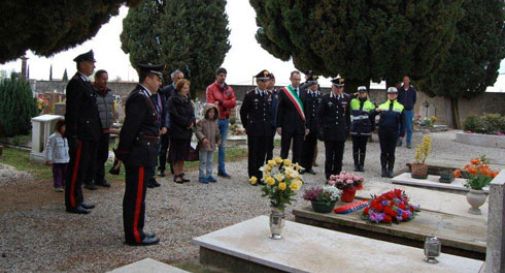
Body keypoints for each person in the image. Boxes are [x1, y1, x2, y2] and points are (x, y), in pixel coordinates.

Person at [115, 63, 163, 246]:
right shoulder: (139, 98)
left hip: (143, 153)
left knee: (138, 195)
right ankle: (134, 235)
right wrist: (123, 153)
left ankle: (137, 230)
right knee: (135, 196)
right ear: (148, 78)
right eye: (157, 78)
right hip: (139, 153)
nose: (159, 82)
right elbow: (130, 129)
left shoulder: (145, 96)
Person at [64, 50, 100, 214]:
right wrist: (73, 135)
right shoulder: (76, 83)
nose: (93, 66)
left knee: (82, 168)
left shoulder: (85, 83)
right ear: (83, 64)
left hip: (87, 134)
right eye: (91, 63)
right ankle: (72, 202)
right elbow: (73, 112)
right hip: (80, 134)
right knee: (76, 168)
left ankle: (79, 198)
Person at [240, 69, 273, 182]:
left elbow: (270, 113)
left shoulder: (269, 95)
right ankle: (253, 176)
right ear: (258, 82)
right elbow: (243, 112)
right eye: (262, 81)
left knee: (262, 154)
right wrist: (246, 126)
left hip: (265, 130)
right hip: (254, 129)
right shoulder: (250, 95)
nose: (265, 83)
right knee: (253, 153)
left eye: (267, 81)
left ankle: (260, 176)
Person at [318, 76, 351, 180]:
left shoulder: (346, 98)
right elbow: (320, 116)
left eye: (341, 87)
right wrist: (321, 130)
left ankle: (337, 177)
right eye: (337, 87)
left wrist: (347, 129)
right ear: (332, 86)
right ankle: (329, 176)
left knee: (339, 156)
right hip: (329, 132)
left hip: (340, 132)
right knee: (329, 156)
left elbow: (347, 116)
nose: (338, 89)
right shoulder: (326, 98)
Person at [206, 67, 236, 179]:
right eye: (221, 75)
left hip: (225, 119)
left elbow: (233, 102)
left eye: (224, 75)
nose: (223, 77)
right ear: (216, 76)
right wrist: (220, 104)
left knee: (222, 146)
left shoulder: (229, 89)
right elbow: (211, 104)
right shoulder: (210, 88)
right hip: (214, 120)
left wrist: (222, 102)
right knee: (210, 144)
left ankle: (221, 170)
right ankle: (208, 171)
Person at [168, 79, 196, 184]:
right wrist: (186, 123)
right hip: (177, 131)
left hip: (187, 131)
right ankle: (176, 174)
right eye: (185, 88)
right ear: (179, 88)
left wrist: (192, 122)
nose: (187, 90)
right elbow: (174, 115)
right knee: (176, 153)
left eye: (188, 88)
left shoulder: (188, 100)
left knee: (183, 153)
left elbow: (192, 113)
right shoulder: (172, 100)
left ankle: (181, 173)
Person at [158, 69, 184, 177]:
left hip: (177, 123)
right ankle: (162, 168)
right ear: (173, 78)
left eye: (182, 78)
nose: (180, 80)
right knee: (164, 147)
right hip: (167, 122)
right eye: (178, 78)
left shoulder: (183, 89)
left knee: (174, 147)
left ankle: (174, 168)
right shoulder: (166, 90)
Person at [276, 71, 306, 164]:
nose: (297, 82)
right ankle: (282, 170)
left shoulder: (304, 92)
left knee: (298, 151)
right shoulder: (284, 91)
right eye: (295, 79)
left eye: (299, 80)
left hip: (300, 126)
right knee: (284, 150)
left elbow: (306, 110)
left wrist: (307, 126)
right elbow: (279, 109)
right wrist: (279, 125)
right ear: (290, 79)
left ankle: (295, 172)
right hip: (287, 125)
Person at [91, 69, 114, 189]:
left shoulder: (109, 93)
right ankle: (90, 178)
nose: (105, 81)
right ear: (97, 79)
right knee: (93, 155)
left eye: (106, 79)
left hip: (106, 129)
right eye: (103, 79)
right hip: (95, 129)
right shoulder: (91, 92)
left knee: (103, 155)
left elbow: (111, 109)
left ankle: (100, 178)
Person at [377, 87, 406, 178]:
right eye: (390, 94)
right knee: (383, 152)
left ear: (396, 95)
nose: (391, 95)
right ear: (387, 95)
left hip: (393, 133)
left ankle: (390, 170)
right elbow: (371, 115)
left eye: (393, 94)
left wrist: (401, 134)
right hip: (383, 132)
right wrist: (375, 111)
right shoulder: (382, 106)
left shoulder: (400, 107)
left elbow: (403, 122)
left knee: (391, 152)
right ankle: (383, 169)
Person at [146, 79, 169, 188]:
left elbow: (164, 112)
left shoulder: (161, 96)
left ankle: (152, 177)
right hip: (150, 130)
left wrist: (164, 126)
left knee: (156, 153)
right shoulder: (147, 96)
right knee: (149, 154)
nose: (159, 84)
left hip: (159, 129)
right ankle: (147, 178)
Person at [350, 86, 376, 172]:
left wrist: (372, 128)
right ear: (358, 93)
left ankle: (361, 165)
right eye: (360, 93)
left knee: (363, 147)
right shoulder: (353, 101)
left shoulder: (370, 104)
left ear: (366, 93)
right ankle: (355, 164)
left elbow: (372, 118)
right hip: (354, 128)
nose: (362, 94)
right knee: (355, 147)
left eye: (363, 92)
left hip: (365, 129)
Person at [301, 75, 321, 174]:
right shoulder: (303, 95)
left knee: (312, 147)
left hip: (315, 126)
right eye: (312, 84)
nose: (314, 86)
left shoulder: (320, 96)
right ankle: (302, 166)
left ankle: (309, 166)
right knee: (304, 147)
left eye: (316, 84)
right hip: (306, 125)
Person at [195, 104, 221, 184]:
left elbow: (217, 133)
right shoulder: (202, 122)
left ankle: (209, 174)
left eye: (213, 112)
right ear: (206, 112)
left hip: (212, 145)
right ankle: (202, 176)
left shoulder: (215, 123)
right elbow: (198, 131)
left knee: (210, 161)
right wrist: (203, 138)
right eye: (210, 112)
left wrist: (219, 140)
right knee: (203, 161)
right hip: (204, 145)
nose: (212, 114)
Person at [45, 120, 69, 192]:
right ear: (59, 127)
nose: (65, 129)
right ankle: (58, 186)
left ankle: (64, 184)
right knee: (57, 173)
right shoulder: (53, 137)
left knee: (66, 173)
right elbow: (49, 148)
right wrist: (48, 159)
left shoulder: (66, 137)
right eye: (64, 127)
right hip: (57, 160)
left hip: (66, 159)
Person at [397, 75, 416, 149]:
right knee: (399, 126)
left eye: (407, 80)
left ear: (409, 81)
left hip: (408, 111)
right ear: (403, 81)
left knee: (409, 127)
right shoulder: (399, 90)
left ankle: (408, 142)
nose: (406, 81)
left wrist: (410, 105)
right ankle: (399, 141)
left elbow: (414, 100)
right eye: (404, 80)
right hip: (400, 111)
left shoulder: (412, 90)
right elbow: (397, 99)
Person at [266, 73, 279, 161]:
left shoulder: (278, 94)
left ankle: (268, 164)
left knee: (270, 145)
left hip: (273, 124)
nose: (270, 82)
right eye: (268, 80)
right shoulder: (262, 93)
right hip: (263, 123)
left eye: (272, 80)